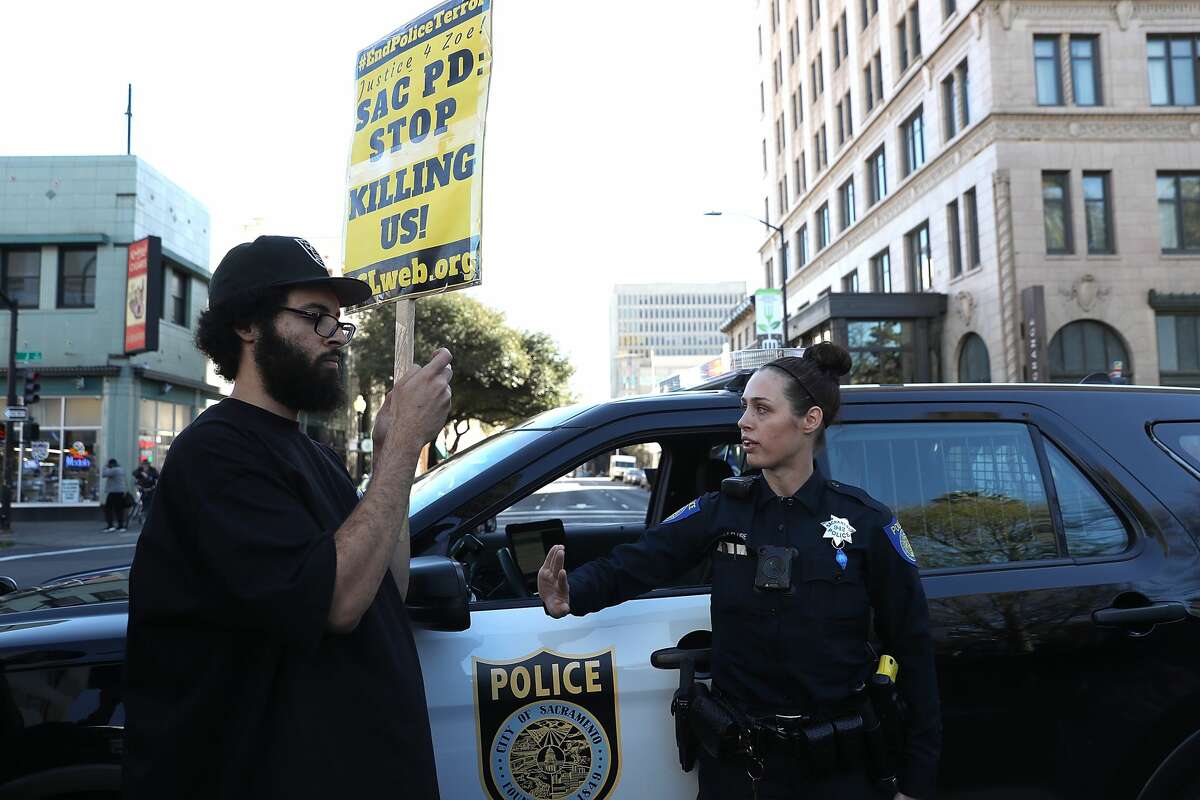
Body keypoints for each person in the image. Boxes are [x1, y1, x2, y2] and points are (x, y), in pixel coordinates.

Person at [123, 236, 453, 799]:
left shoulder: (315, 453)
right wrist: (402, 447)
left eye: (340, 323)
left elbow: (384, 584)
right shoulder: (216, 452)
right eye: (316, 317)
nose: (337, 339)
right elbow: (337, 602)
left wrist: (386, 459)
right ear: (248, 325)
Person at [538, 343, 940, 800]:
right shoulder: (723, 511)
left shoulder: (866, 523)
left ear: (809, 420)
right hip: (740, 769)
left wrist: (916, 779)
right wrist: (574, 593)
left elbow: (913, 649)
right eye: (744, 407)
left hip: (837, 769)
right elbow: (640, 560)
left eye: (762, 409)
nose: (744, 422)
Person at [100, 458, 128, 532]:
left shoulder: (114, 470)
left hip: (114, 492)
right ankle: (121, 526)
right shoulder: (121, 469)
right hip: (120, 492)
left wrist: (105, 466)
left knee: (108, 509)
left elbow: (104, 474)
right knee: (119, 509)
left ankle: (110, 526)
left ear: (111, 464)